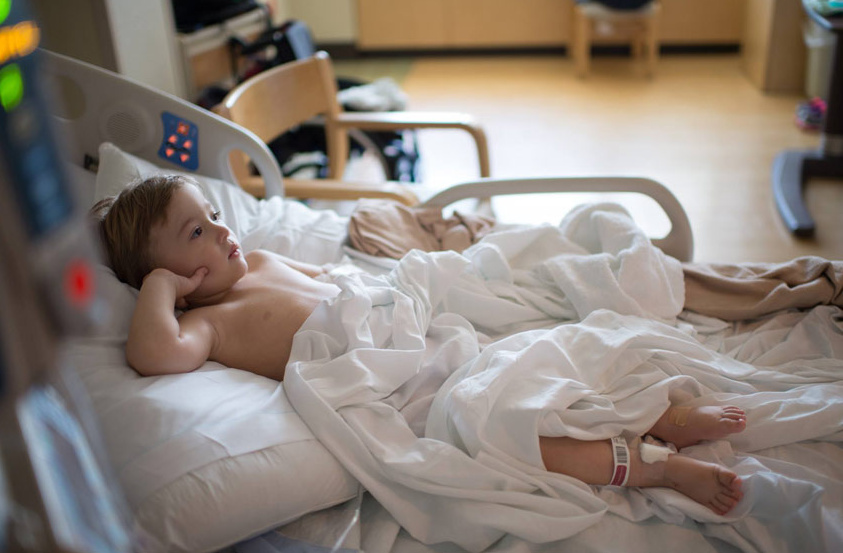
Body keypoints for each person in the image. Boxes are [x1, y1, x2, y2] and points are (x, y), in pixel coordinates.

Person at [92, 174, 746, 516]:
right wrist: (157, 288)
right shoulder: (208, 322)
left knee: (532, 351)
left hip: (416, 331)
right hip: (396, 386)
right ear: (171, 275)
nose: (219, 230)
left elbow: (345, 279)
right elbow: (153, 354)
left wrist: (422, 286)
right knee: (492, 429)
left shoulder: (260, 258)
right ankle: (646, 463)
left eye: (213, 214)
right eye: (194, 233)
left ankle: (657, 414)